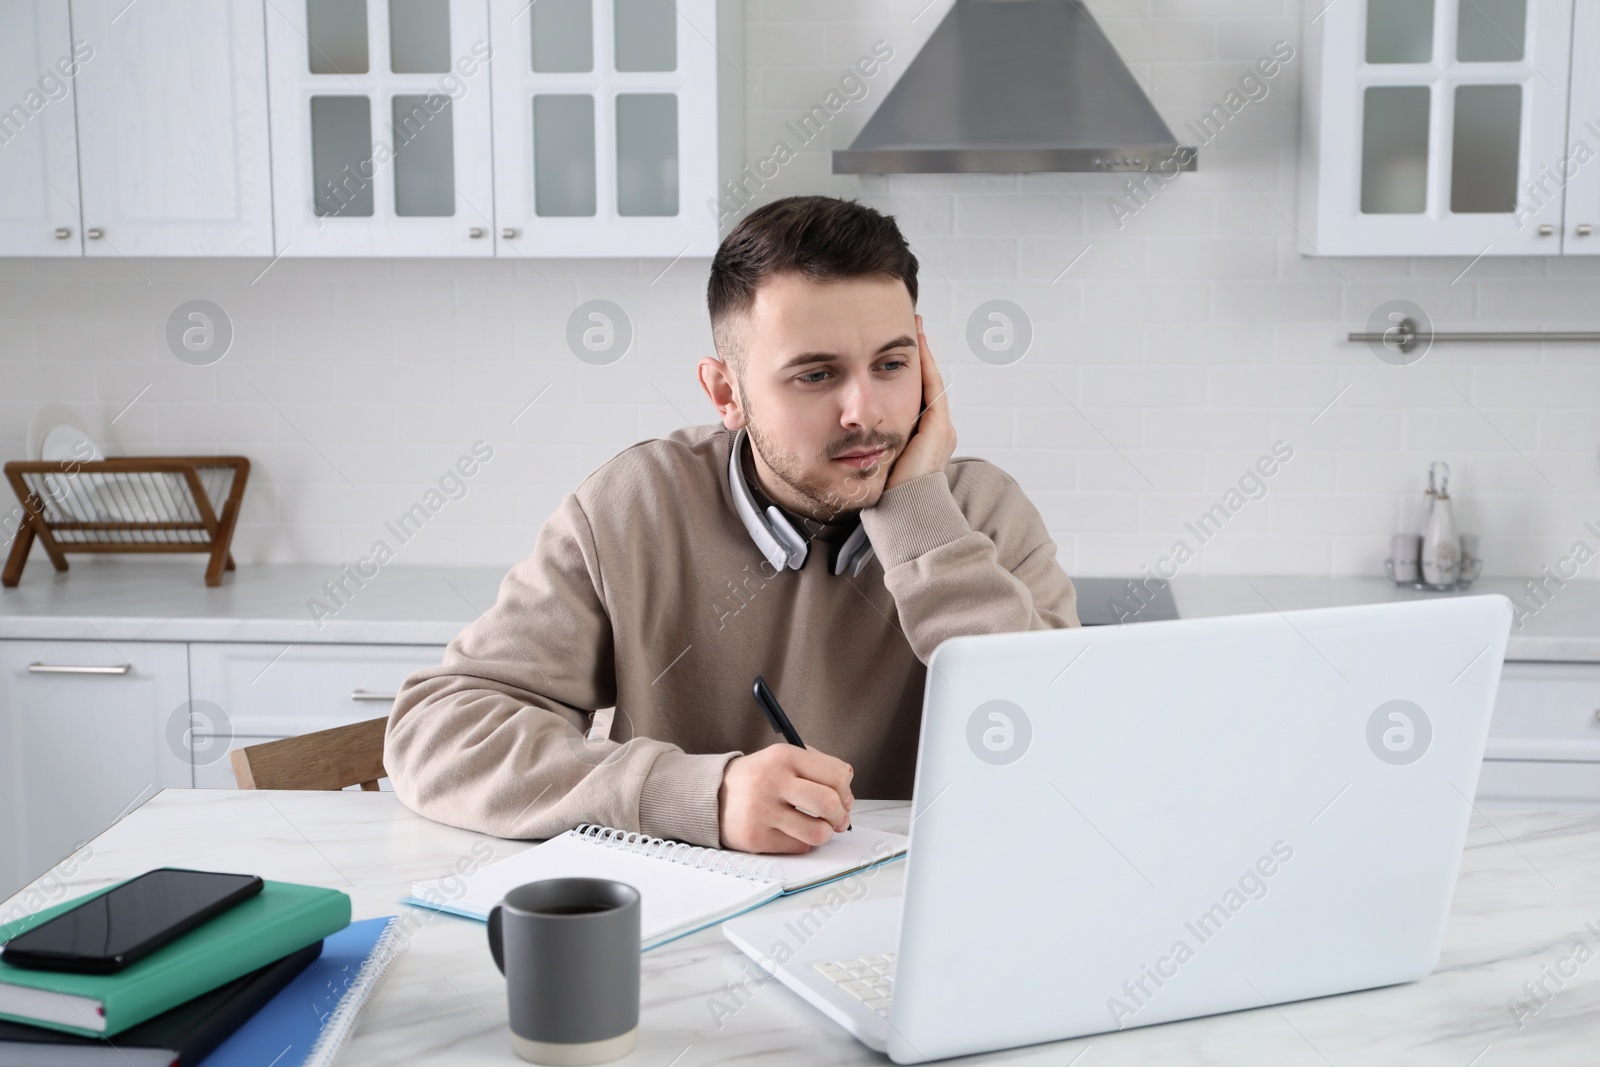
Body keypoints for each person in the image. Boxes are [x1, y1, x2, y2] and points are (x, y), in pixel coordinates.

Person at [385, 195, 1079, 855]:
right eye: (816, 375)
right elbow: (436, 731)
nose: (865, 411)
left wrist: (917, 516)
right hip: (686, 933)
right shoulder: (635, 506)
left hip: (919, 918)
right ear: (726, 393)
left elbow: (1072, 750)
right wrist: (696, 795)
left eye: (892, 364)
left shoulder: (983, 512)